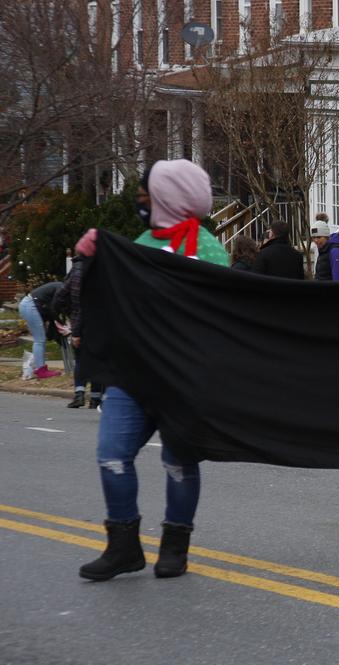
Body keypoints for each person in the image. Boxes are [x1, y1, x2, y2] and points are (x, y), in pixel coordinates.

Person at [73, 158, 230, 581]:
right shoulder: (137, 243)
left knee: (179, 462)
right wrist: (88, 256)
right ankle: (122, 547)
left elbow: (219, 317)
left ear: (168, 198)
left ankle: (175, 547)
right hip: (131, 376)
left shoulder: (210, 250)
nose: (141, 204)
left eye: (146, 196)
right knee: (112, 456)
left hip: (181, 380)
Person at [54, 254, 103, 409]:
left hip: (78, 320)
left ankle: (79, 394)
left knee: (81, 359)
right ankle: (95, 398)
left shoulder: (75, 270)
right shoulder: (102, 270)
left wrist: (68, 312)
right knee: (96, 358)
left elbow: (60, 296)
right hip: (99, 322)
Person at [17, 281, 64, 379]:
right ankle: (41, 370)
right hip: (30, 305)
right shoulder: (61, 288)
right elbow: (55, 307)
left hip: (29, 304)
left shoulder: (60, 286)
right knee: (39, 339)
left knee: (39, 339)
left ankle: (35, 367)